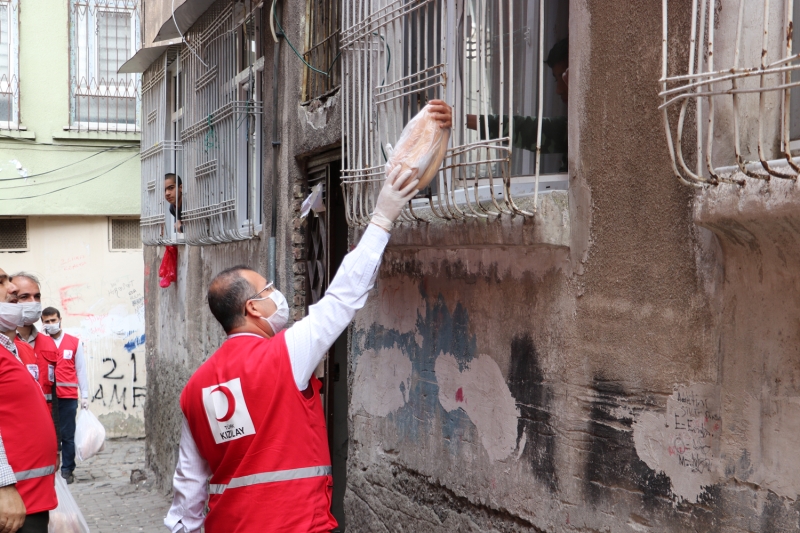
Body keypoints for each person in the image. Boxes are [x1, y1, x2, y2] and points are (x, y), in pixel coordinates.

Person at [164, 153, 432, 531]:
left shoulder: (194, 391)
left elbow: (187, 496)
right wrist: (383, 218)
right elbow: (341, 298)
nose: (278, 295)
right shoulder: (285, 353)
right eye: (268, 289)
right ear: (254, 307)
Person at [0, 268, 58, 533]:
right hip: (13, 499)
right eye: (1, 282)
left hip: (31, 495)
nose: (11, 287)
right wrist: (4, 487)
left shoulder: (13, 348)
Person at [466, 37, 569, 171]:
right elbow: (526, 129)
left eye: (565, 77)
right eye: (557, 80)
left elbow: (527, 130)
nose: (559, 90)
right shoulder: (571, 130)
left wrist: (462, 120)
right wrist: (463, 120)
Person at [41, 307, 89, 485]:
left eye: (54, 320)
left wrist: (85, 395)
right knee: (49, 434)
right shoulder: (42, 343)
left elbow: (81, 370)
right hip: (47, 396)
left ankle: (67, 469)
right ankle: (49, 469)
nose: (51, 324)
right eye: (47, 321)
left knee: (68, 434)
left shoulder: (73, 343)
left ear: (60, 320)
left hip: (68, 396)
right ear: (42, 323)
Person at [10, 273, 59, 427]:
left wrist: (57, 443)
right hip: (14, 431)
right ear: (10, 300)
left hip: (44, 426)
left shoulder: (48, 343)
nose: (33, 302)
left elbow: (55, 397)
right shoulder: (4, 343)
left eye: (37, 296)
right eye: (24, 297)